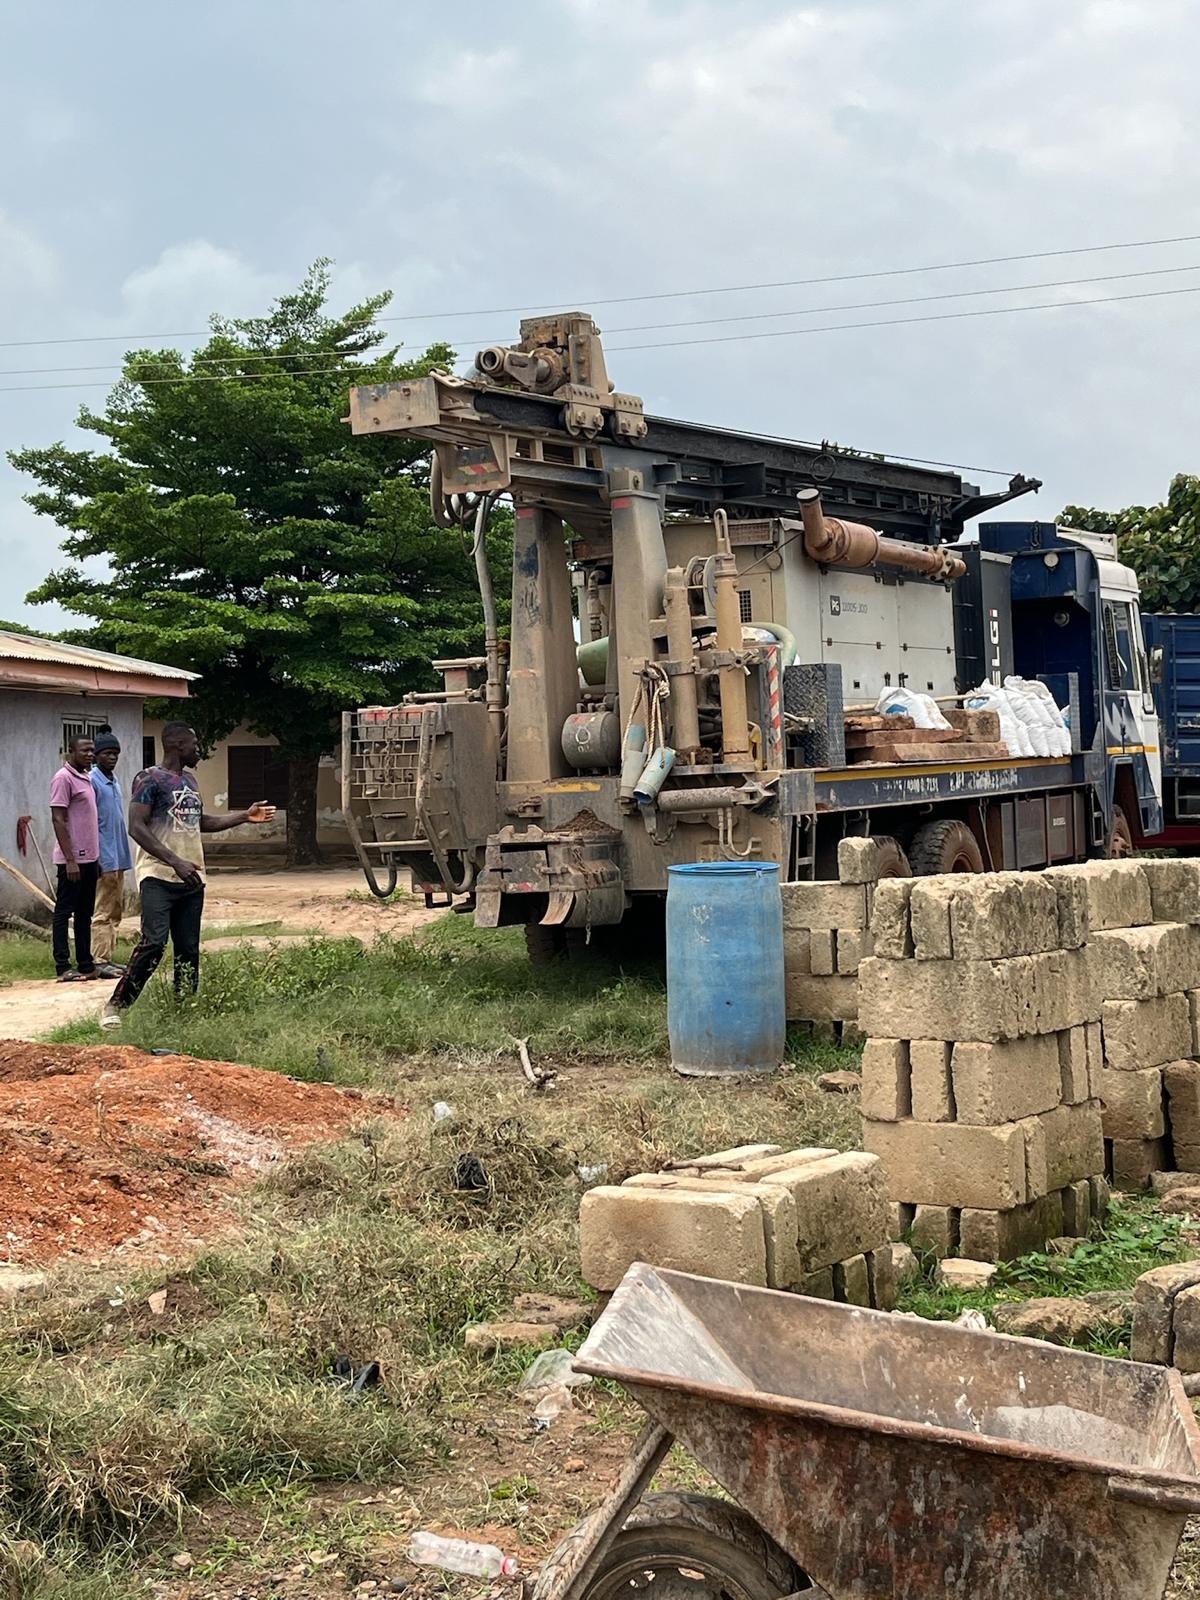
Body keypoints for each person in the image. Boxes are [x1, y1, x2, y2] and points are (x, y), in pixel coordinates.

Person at [101, 722, 275, 1026]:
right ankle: (116, 1005)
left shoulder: (191, 782)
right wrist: (174, 861)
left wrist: (244, 816)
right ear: (178, 745)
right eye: (195, 746)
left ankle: (184, 1013)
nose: (199, 751)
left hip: (193, 879)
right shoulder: (148, 779)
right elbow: (136, 826)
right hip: (158, 875)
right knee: (154, 942)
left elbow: (199, 822)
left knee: (188, 949)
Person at [49, 732, 101, 981]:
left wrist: (95, 857)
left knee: (85, 913)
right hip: (72, 860)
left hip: (90, 858)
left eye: (92, 750)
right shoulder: (63, 778)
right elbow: (58, 819)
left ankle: (86, 964)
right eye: (85, 751)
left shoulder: (87, 777)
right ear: (71, 751)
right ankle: (62, 966)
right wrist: (70, 860)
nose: (90, 754)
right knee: (64, 911)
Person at [89, 728, 132, 979]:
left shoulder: (114, 781)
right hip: (104, 856)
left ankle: (108, 956)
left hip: (119, 853)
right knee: (103, 909)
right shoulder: (92, 781)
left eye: (115, 753)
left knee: (116, 909)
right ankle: (99, 958)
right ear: (96, 756)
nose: (112, 757)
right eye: (107, 753)